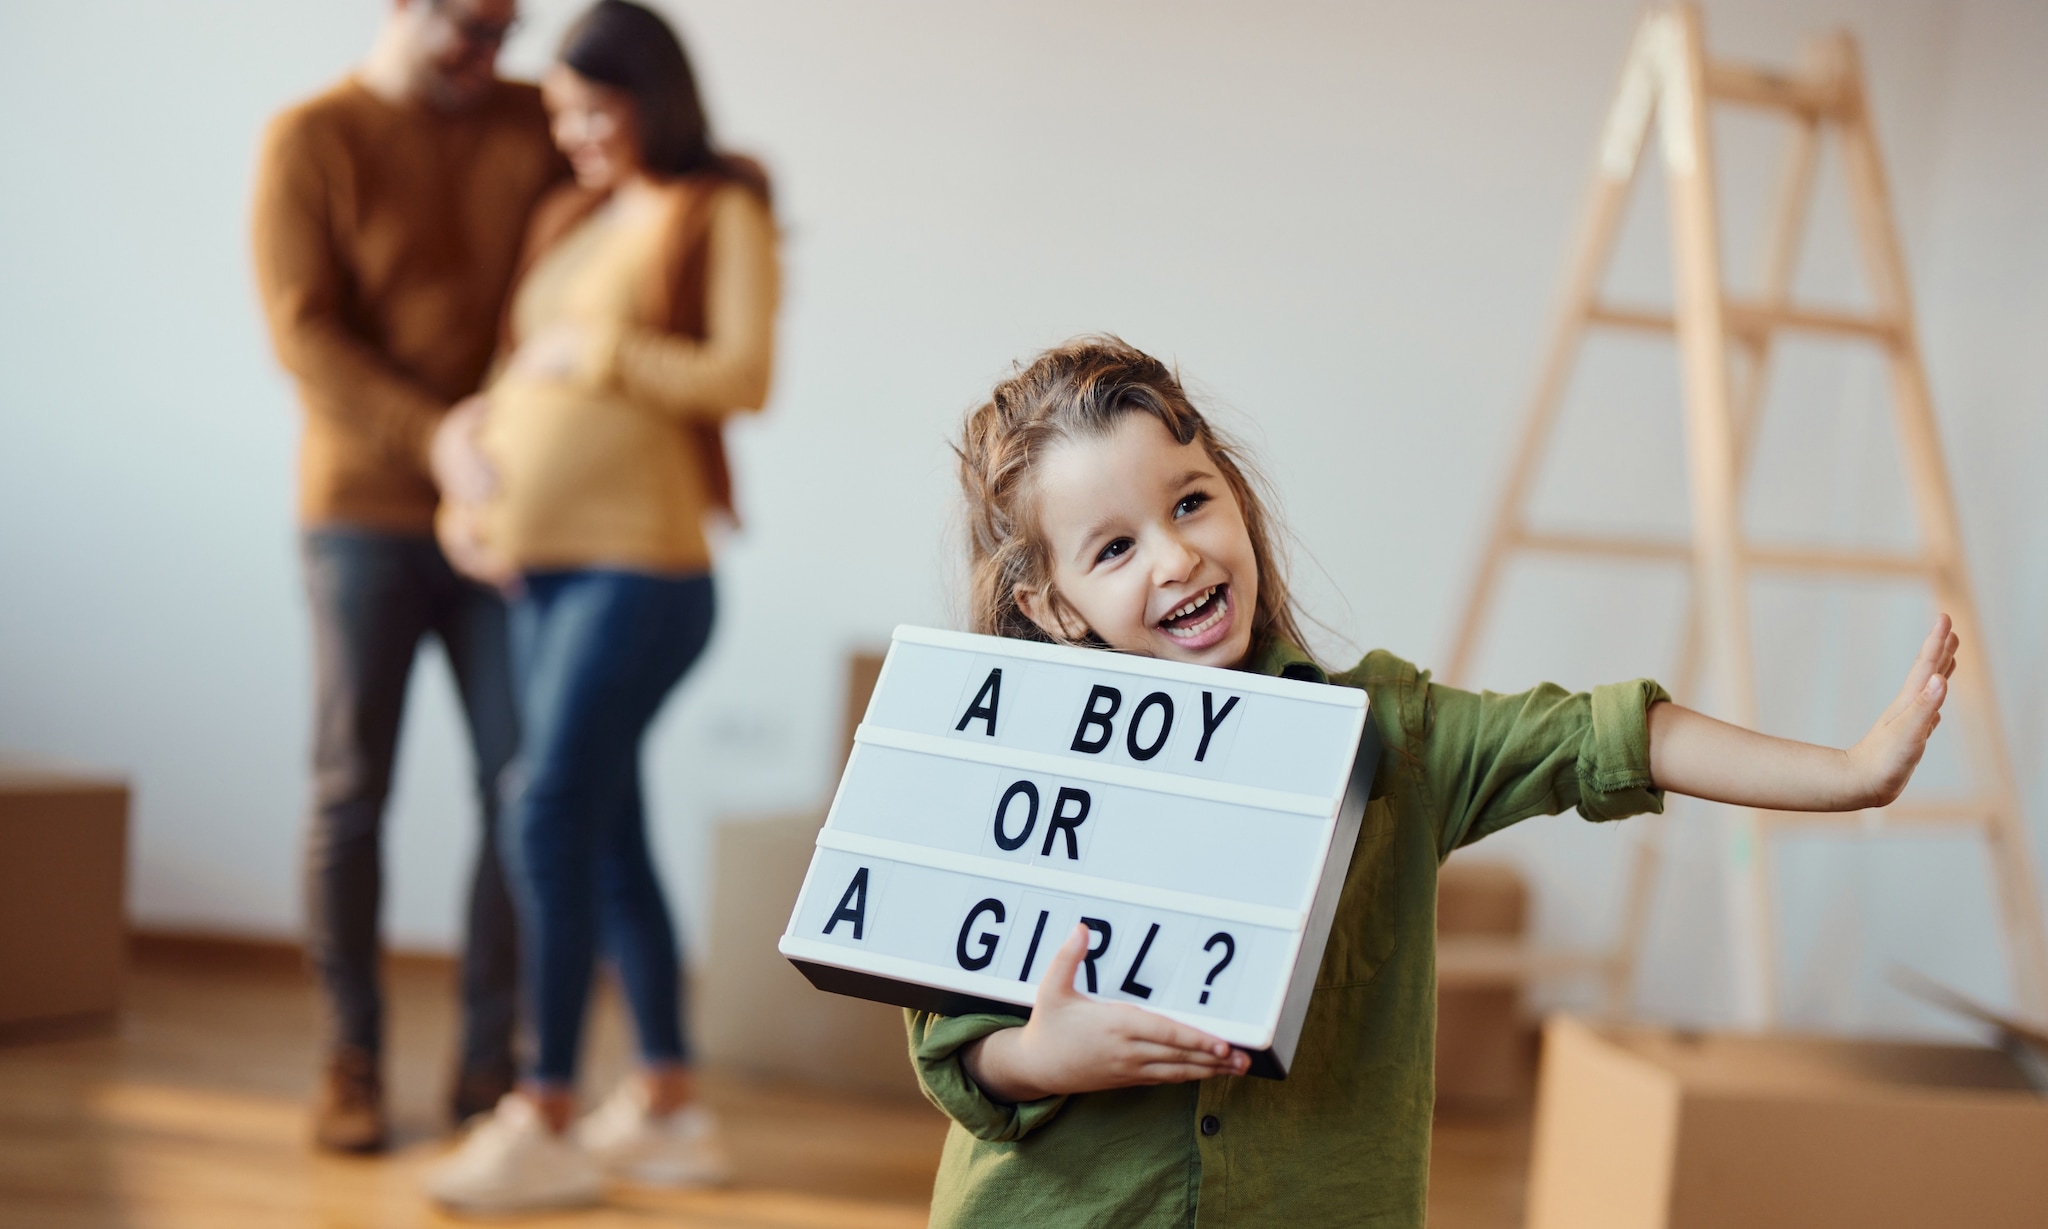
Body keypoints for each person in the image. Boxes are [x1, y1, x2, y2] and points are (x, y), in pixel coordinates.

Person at [914, 335, 1959, 1227]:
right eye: (1113, 547)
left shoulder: (1390, 738)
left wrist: (1853, 771)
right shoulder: (1011, 768)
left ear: (1232, 491)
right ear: (1050, 605)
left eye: (1190, 501)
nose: (1177, 556)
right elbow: (954, 1041)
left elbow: (1608, 736)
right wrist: (1045, 1053)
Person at [420, 0, 780, 1213]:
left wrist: (605, 354)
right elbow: (507, 382)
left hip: (644, 571)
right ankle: (669, 1105)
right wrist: (462, 479)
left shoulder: (715, 206)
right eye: (562, 112)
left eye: (594, 110)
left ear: (651, 98)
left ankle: (546, 1109)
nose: (572, 133)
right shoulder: (573, 215)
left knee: (546, 805)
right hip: (539, 571)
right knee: (606, 828)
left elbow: (742, 374)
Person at [250, 0, 567, 1152]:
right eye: (467, 24)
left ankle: (488, 1067)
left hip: (498, 518)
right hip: (360, 518)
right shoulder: (311, 138)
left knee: (520, 787)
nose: (489, 51)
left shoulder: (532, 119)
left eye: (505, 26)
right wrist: (433, 434)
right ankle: (351, 1058)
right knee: (350, 788)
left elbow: (623, 179)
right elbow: (303, 333)